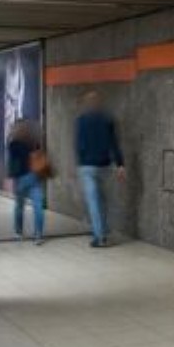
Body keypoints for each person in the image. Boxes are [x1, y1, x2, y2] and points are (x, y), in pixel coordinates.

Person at [75, 91, 124, 248]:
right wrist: (120, 164)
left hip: (87, 166)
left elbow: (79, 144)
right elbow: (114, 143)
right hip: (103, 166)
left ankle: (100, 237)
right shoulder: (107, 120)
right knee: (101, 200)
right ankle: (103, 230)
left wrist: (80, 162)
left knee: (94, 202)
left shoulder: (81, 120)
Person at [6, 120, 46, 243]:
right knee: (38, 206)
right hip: (34, 176)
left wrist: (11, 177)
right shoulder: (33, 142)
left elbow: (13, 162)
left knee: (19, 206)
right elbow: (40, 155)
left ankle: (18, 232)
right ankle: (38, 235)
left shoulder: (13, 144)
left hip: (21, 178)